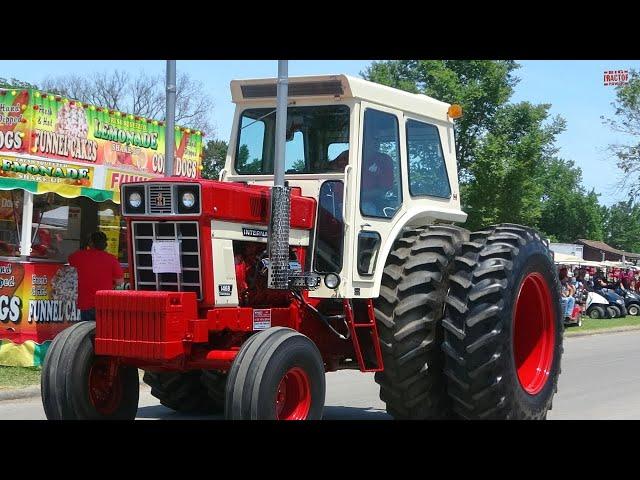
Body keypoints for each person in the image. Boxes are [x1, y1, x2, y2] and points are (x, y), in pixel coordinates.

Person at [68, 231, 124, 322]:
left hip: (86, 303)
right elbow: (120, 282)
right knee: (103, 332)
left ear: (90, 243)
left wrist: (85, 247)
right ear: (105, 244)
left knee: (86, 332)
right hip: (104, 303)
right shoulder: (112, 259)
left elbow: (70, 260)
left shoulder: (80, 256)